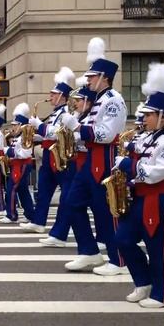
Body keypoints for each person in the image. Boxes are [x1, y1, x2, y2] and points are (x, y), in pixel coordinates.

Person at [61, 37, 127, 276]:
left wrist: (76, 127)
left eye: (91, 76)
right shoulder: (97, 101)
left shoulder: (112, 101)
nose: (87, 80)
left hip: (105, 158)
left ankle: (118, 260)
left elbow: (105, 135)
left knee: (106, 212)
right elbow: (87, 134)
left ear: (104, 78)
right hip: (90, 159)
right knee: (71, 204)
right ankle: (89, 250)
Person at [114, 63, 164, 308]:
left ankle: (162, 293)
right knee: (122, 239)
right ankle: (143, 281)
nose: (143, 118)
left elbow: (159, 172)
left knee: (158, 248)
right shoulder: (146, 136)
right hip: (138, 196)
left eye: (148, 115)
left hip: (158, 198)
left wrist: (130, 167)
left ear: (162, 117)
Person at [37, 76, 96, 247]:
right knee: (70, 199)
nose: (76, 103)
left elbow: (60, 133)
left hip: (87, 159)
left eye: (78, 100)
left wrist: (74, 129)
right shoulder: (76, 114)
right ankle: (60, 233)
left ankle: (102, 238)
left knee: (92, 202)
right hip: (75, 158)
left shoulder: (72, 114)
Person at [22, 67, 76, 237]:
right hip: (49, 154)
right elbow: (47, 134)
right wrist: (33, 135)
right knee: (44, 190)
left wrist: (39, 125)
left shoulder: (65, 113)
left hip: (59, 156)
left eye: (53, 94)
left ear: (62, 96)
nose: (50, 97)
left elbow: (56, 132)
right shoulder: (55, 113)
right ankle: (38, 222)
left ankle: (61, 230)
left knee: (66, 195)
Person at [0, 103, 35, 224]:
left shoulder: (25, 135)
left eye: (15, 125)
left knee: (11, 189)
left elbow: (26, 153)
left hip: (22, 165)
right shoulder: (17, 137)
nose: (12, 128)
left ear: (21, 125)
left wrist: (8, 151)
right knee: (22, 190)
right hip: (17, 165)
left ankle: (12, 215)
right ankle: (30, 214)